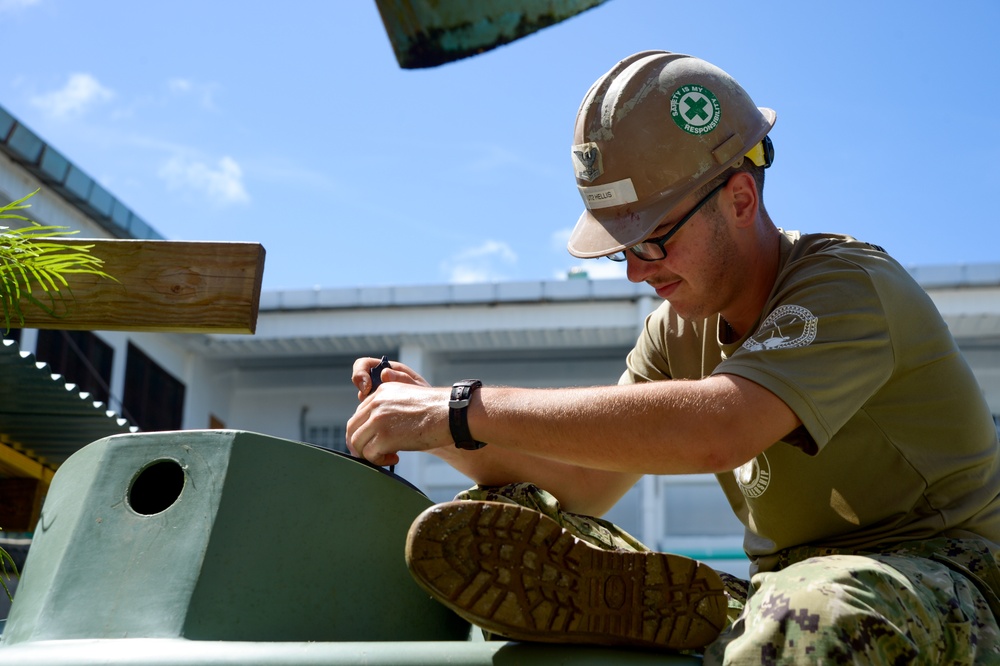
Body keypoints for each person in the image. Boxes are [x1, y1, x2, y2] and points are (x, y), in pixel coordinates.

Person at [346, 50, 1000, 663]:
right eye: (619, 249)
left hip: (952, 576)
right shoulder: (677, 330)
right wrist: (425, 423)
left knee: (810, 617)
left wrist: (462, 408)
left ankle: (735, 624)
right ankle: (714, 617)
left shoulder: (848, 286)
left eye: (652, 241)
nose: (634, 271)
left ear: (740, 200)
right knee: (510, 514)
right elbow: (582, 483)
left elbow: (719, 429)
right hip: (788, 582)